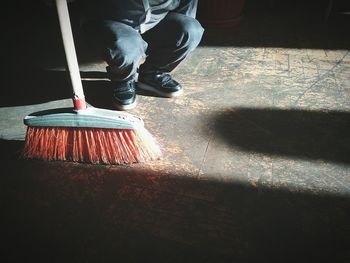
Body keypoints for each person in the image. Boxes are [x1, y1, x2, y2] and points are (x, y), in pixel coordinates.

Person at [81, 0, 204, 110]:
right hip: (114, 22)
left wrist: (175, 44)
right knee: (127, 46)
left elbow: (185, 16)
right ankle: (123, 78)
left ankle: (153, 73)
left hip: (154, 24)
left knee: (191, 29)